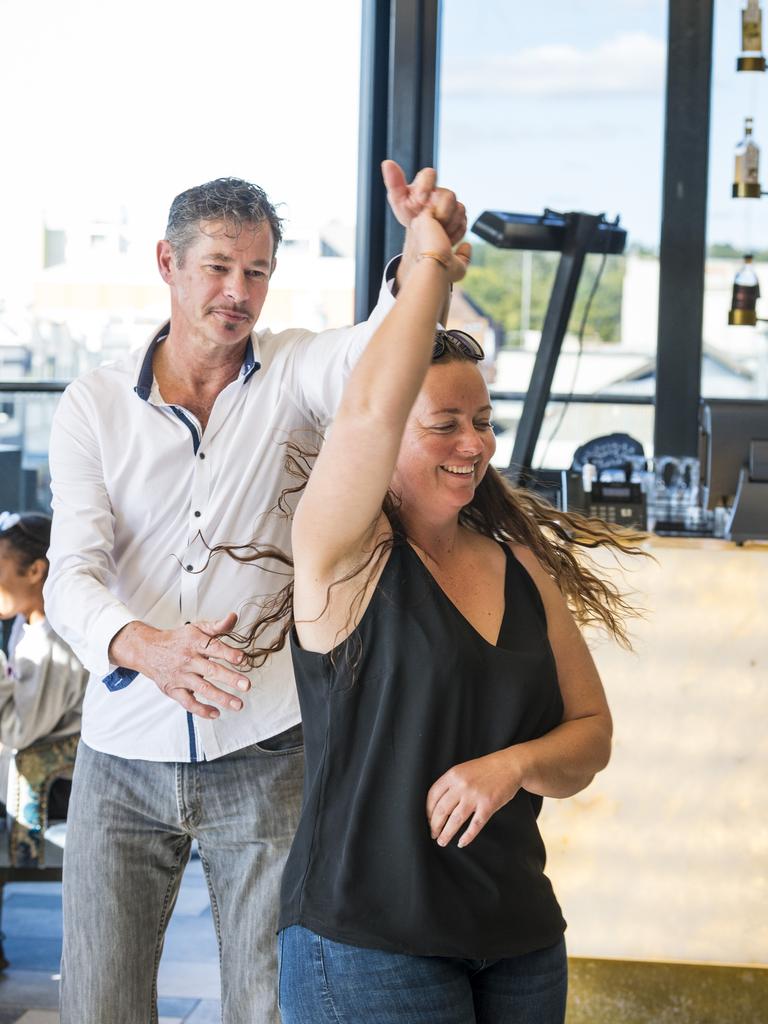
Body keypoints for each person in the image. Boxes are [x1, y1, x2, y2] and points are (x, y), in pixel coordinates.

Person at [43, 163, 466, 1024]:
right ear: (168, 262)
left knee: (271, 1004)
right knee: (98, 1004)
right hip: (121, 757)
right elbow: (69, 577)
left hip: (268, 748)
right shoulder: (92, 406)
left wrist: (422, 257)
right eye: (219, 267)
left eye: (258, 272)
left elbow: (379, 353)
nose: (239, 293)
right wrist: (146, 647)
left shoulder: (296, 375)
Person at [231, 207, 644, 1023]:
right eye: (444, 425)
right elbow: (364, 414)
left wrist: (512, 765)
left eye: (484, 422)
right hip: (370, 941)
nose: (473, 444)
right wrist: (426, 271)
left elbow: (590, 732)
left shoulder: (521, 567)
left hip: (520, 936)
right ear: (390, 444)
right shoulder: (341, 561)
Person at [0, 511, 86, 778]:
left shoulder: (55, 642)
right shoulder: (26, 621)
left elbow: (16, 732)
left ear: (35, 570)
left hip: (54, 796)